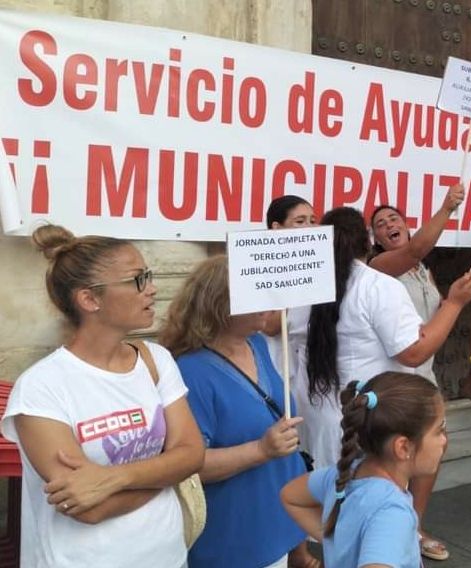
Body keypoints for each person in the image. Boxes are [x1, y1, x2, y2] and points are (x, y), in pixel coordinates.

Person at [0, 225, 204, 567]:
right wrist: (167, 473)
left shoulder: (155, 360)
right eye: (138, 279)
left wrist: (113, 477)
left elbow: (192, 454)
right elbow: (89, 508)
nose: (152, 289)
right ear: (90, 299)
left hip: (169, 557)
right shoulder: (41, 388)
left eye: (149, 276)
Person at [160, 255, 311, 568]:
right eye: (256, 292)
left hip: (275, 518)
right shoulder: (192, 371)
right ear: (221, 304)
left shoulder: (256, 343)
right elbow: (188, 465)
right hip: (235, 535)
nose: (267, 300)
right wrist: (261, 450)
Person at [305, 207, 471, 470]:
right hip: (369, 418)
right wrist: (455, 303)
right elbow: (413, 352)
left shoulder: (315, 285)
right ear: (368, 241)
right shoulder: (377, 285)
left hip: (331, 411)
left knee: (332, 497)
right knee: (367, 499)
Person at [366, 184, 464, 562]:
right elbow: (415, 250)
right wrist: (446, 208)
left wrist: (454, 299)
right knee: (399, 456)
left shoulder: (423, 270)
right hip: (400, 376)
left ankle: (414, 524)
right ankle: (389, 532)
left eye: (394, 218)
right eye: (380, 224)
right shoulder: (380, 268)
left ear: (406, 225)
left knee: (433, 452)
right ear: (374, 239)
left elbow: (439, 316)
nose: (389, 224)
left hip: (427, 373)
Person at [280, 372, 446, 568]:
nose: (444, 439)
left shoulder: (345, 474)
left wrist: (340, 541)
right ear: (403, 447)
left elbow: (290, 496)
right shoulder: (392, 512)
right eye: (439, 430)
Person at [260, 196, 319, 467]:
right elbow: (270, 325)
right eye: (299, 221)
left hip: (308, 373)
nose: (308, 227)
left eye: (312, 221)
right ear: (276, 227)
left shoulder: (316, 268)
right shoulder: (261, 266)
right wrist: (288, 280)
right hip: (274, 368)